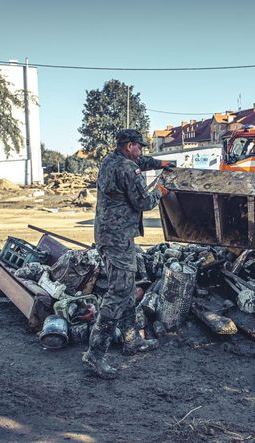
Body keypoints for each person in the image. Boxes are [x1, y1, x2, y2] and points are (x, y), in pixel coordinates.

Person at [83, 129, 174, 379]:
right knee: (119, 292)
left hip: (112, 235)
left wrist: (161, 163)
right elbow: (143, 202)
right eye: (140, 147)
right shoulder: (126, 169)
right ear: (129, 146)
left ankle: (132, 339)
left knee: (128, 286)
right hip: (116, 238)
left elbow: (142, 162)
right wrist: (161, 192)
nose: (142, 151)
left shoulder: (112, 160)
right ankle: (95, 354)